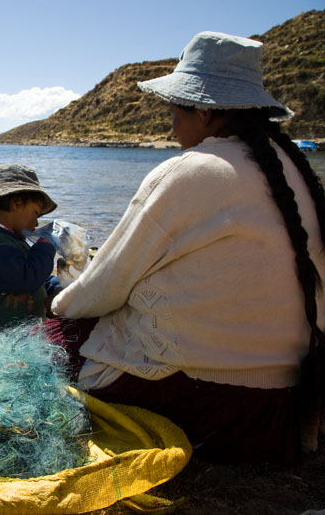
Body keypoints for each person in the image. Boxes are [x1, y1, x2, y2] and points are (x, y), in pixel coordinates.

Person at [49, 31, 325, 464]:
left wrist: (57, 302)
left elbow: (104, 287)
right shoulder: (293, 170)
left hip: (202, 402)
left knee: (49, 338)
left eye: (174, 110)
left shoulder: (189, 172)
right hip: (279, 408)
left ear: (202, 110)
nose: (171, 124)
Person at [0, 164, 62, 332]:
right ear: (16, 204)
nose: (37, 222)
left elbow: (33, 276)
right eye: (35, 213)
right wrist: (45, 246)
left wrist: (55, 286)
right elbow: (25, 280)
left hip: (22, 333)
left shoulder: (12, 241)